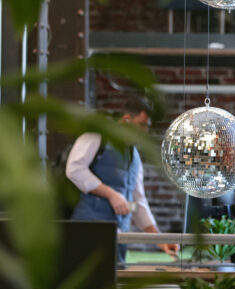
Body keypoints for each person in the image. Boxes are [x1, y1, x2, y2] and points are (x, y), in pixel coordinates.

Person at [66, 99, 179, 262]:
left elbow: (138, 201)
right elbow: (74, 169)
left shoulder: (135, 158)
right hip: (89, 230)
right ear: (126, 119)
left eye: (147, 126)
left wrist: (159, 240)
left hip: (119, 238)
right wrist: (111, 194)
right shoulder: (96, 136)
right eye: (141, 124)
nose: (145, 131)